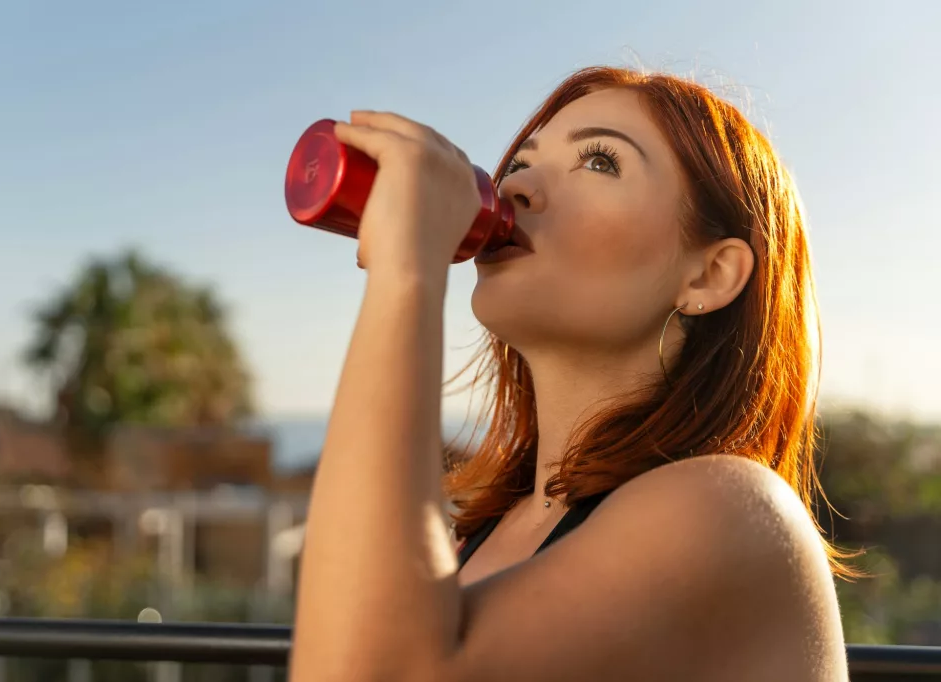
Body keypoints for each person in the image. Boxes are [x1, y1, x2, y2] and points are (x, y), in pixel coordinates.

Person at [288, 66, 852, 682]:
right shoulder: (484, 533)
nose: (519, 185)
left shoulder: (730, 511)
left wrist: (408, 270)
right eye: (520, 163)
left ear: (709, 275)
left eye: (600, 161)